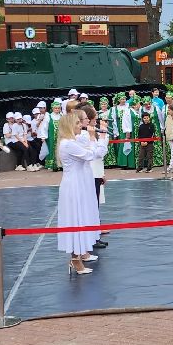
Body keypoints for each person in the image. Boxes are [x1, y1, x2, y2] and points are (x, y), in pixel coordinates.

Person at [56, 111, 104, 274]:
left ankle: (80, 253)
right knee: (75, 219)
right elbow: (90, 154)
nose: (80, 126)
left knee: (81, 216)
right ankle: (75, 259)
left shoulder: (70, 141)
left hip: (78, 183)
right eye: (77, 123)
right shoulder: (68, 144)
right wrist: (93, 138)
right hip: (74, 185)